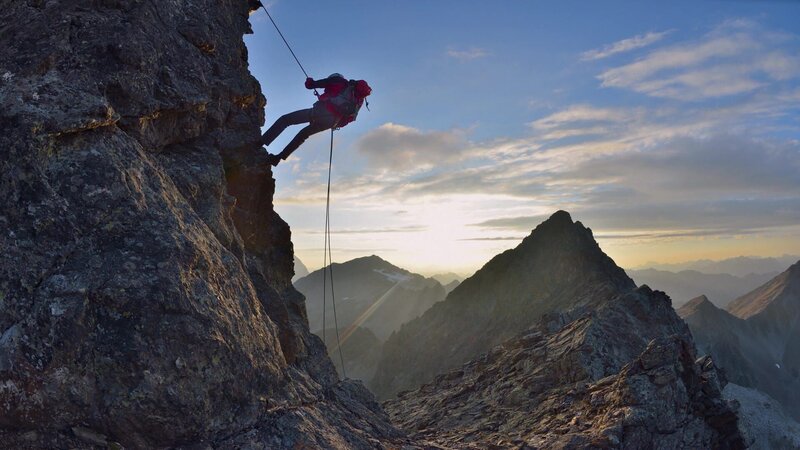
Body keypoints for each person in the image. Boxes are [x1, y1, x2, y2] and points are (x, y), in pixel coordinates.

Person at [261, 73, 372, 166]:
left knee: (286, 120)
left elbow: (310, 85)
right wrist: (335, 123)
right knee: (303, 134)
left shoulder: (337, 81)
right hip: (332, 122)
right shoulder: (358, 100)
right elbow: (349, 118)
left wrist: (310, 81)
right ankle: (278, 158)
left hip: (321, 112)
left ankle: (262, 141)